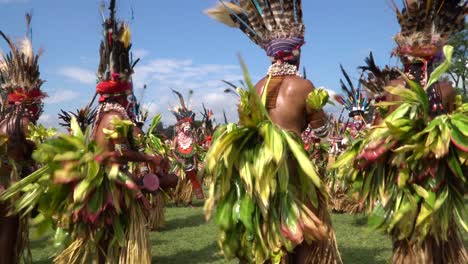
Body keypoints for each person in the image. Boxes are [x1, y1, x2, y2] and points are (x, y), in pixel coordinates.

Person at [206, 1, 341, 263]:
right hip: (293, 173)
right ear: (297, 53)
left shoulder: (255, 88)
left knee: (267, 241)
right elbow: (322, 132)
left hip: (259, 175)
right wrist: (318, 110)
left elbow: (247, 133)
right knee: (306, 237)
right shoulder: (303, 86)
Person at [0, 15, 45, 264]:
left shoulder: (3, 118)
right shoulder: (24, 121)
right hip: (9, 188)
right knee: (8, 233)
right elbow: (32, 154)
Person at [170, 90, 204, 206]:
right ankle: (176, 198)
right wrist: (179, 161)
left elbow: (194, 151)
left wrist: (194, 163)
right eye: (185, 126)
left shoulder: (192, 138)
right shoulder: (177, 139)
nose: (188, 128)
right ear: (181, 127)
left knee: (193, 180)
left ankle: (189, 200)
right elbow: (172, 150)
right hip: (180, 164)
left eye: (189, 126)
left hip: (191, 164)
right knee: (180, 180)